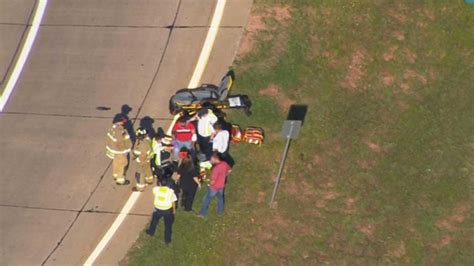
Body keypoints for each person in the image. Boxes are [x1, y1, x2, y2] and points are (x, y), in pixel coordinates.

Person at [198, 152, 232, 217]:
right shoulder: (224, 164)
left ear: (215, 159)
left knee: (206, 199)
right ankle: (220, 212)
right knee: (220, 198)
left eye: (212, 160)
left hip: (214, 188)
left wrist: (208, 183)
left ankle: (202, 213)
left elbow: (213, 181)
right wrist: (224, 175)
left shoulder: (215, 169)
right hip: (221, 186)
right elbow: (229, 170)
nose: (211, 161)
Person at [146, 178, 177, 244]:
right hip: (167, 210)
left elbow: (157, 190)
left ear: (160, 183)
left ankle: (151, 232)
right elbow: (173, 203)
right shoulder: (170, 192)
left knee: (154, 221)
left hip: (157, 209)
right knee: (168, 226)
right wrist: (174, 211)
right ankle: (167, 240)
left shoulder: (155, 190)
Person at [106, 114, 132, 185]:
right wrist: (125, 151)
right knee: (122, 164)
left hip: (114, 150)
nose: (123, 123)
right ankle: (120, 180)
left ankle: (115, 175)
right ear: (119, 122)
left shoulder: (112, 128)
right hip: (120, 151)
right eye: (122, 122)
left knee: (116, 163)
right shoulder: (120, 131)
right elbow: (120, 143)